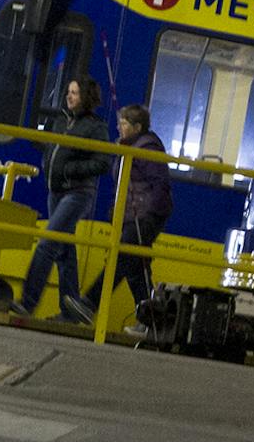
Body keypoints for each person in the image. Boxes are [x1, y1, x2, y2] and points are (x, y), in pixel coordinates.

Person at [11, 77, 110, 325]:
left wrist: (68, 170)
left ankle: (27, 302)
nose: (69, 96)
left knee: (47, 244)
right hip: (55, 192)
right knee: (64, 252)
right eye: (69, 92)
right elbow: (51, 150)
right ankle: (70, 312)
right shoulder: (60, 121)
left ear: (85, 97)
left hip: (77, 193)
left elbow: (102, 163)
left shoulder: (96, 128)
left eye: (74, 93)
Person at [78, 103, 172, 336]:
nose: (119, 127)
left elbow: (159, 184)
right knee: (135, 269)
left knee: (122, 259)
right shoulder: (129, 147)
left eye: (124, 123)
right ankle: (151, 321)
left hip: (144, 216)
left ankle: (89, 303)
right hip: (132, 216)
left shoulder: (147, 149)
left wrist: (150, 215)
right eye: (119, 122)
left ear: (137, 127)